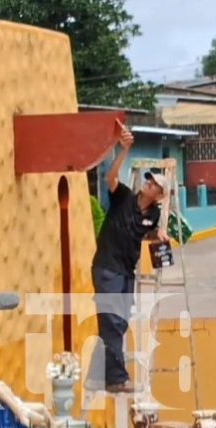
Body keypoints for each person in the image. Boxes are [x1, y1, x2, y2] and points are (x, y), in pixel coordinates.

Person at [89, 125, 170, 393]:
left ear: (159, 194)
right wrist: (123, 149)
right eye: (148, 179)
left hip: (126, 271)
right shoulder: (123, 196)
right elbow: (110, 178)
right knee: (112, 318)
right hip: (107, 266)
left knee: (120, 321)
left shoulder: (155, 215)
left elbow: (146, 235)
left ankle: (97, 374)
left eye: (154, 183)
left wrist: (160, 238)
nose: (148, 182)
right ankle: (117, 379)